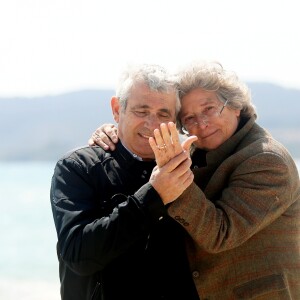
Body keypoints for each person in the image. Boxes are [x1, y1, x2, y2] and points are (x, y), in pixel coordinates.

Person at [90, 61, 300, 299]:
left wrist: (173, 175)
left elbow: (220, 234)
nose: (201, 123)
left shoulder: (266, 159)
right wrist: (120, 132)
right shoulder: (198, 152)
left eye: (209, 109)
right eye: (188, 118)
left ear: (236, 106)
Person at [50, 64, 200, 300]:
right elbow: (78, 255)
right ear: (117, 109)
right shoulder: (78, 168)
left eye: (163, 114)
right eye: (141, 111)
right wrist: (154, 195)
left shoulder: (190, 167)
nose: (152, 124)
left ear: (175, 120)